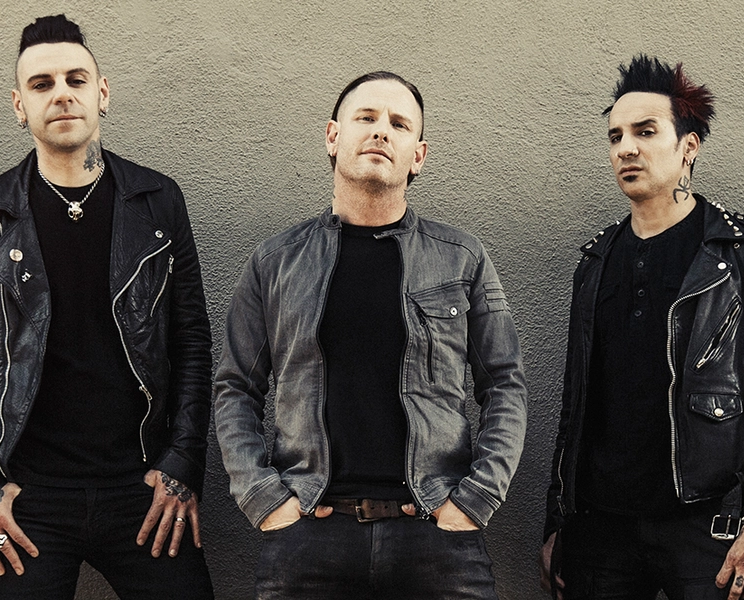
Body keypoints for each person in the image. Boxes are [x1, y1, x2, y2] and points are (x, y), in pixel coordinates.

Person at [0, 14, 214, 599]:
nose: (61, 94)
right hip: (24, 498)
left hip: (143, 487)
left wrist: (182, 465)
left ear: (101, 93)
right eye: (41, 84)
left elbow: (191, 341)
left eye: (75, 80)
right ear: (20, 106)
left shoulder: (157, 201)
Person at [212, 71, 527, 600]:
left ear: (417, 155)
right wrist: (263, 497)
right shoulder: (275, 263)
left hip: (435, 532)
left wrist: (476, 498)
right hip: (309, 533)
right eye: (367, 117)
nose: (382, 130)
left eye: (399, 124)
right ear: (333, 137)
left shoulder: (462, 258)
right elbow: (235, 388)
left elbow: (505, 383)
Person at [540, 55, 744, 600]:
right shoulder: (596, 261)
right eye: (615, 136)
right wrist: (560, 522)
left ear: (688, 146)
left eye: (645, 132)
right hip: (601, 532)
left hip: (712, 528)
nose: (626, 148)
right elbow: (577, 407)